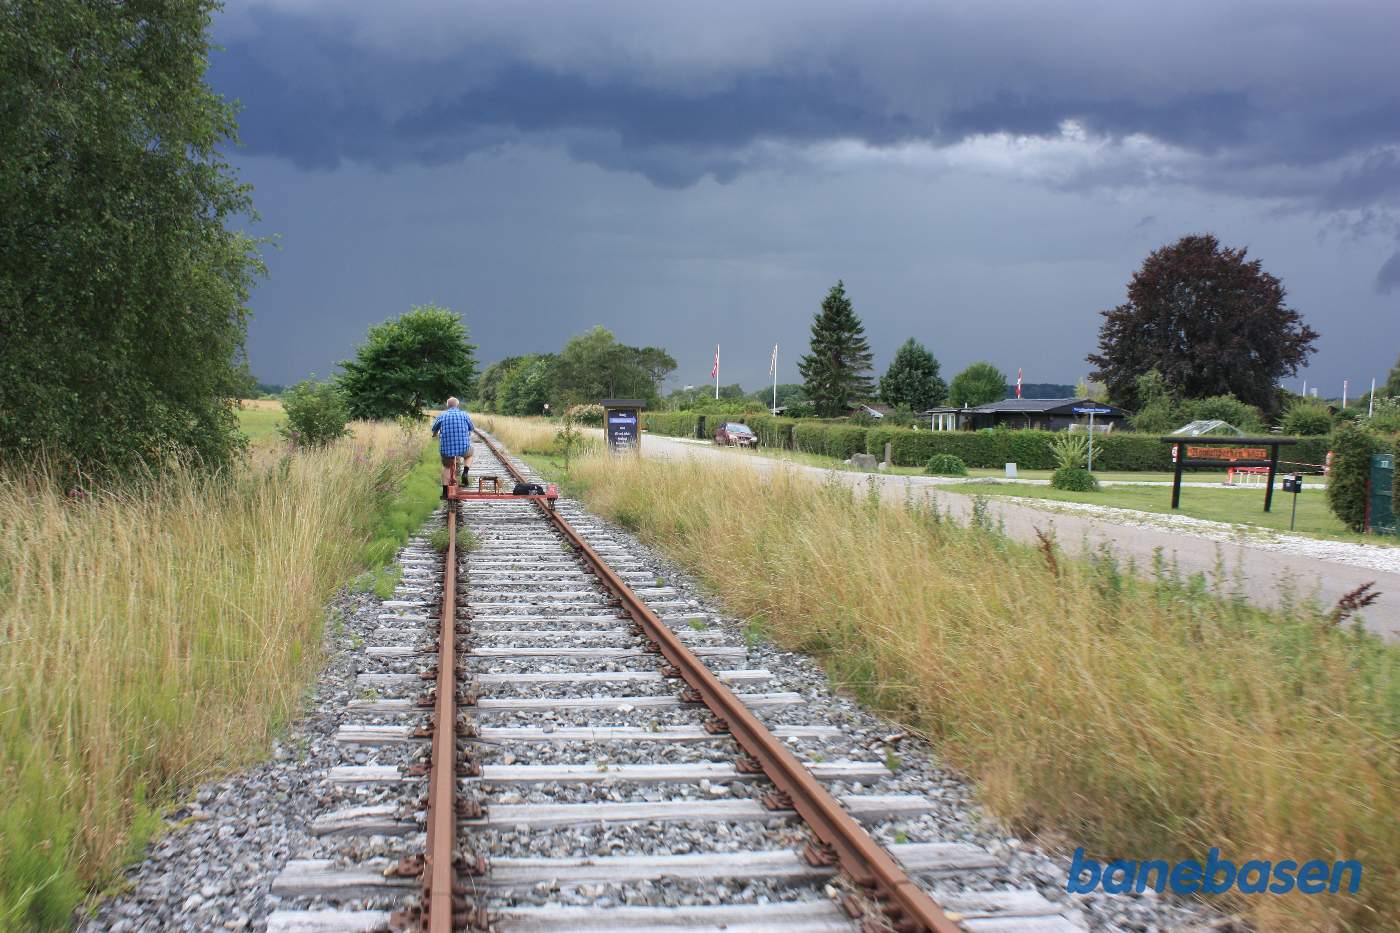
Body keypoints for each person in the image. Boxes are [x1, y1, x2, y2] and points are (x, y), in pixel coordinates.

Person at [431, 397, 474, 499]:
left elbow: (434, 429)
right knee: (469, 454)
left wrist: (435, 433)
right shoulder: (464, 414)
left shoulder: (442, 415)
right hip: (463, 448)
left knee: (446, 467)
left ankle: (445, 493)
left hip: (447, 449)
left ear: (447, 406)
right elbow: (472, 428)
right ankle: (465, 472)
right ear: (457, 405)